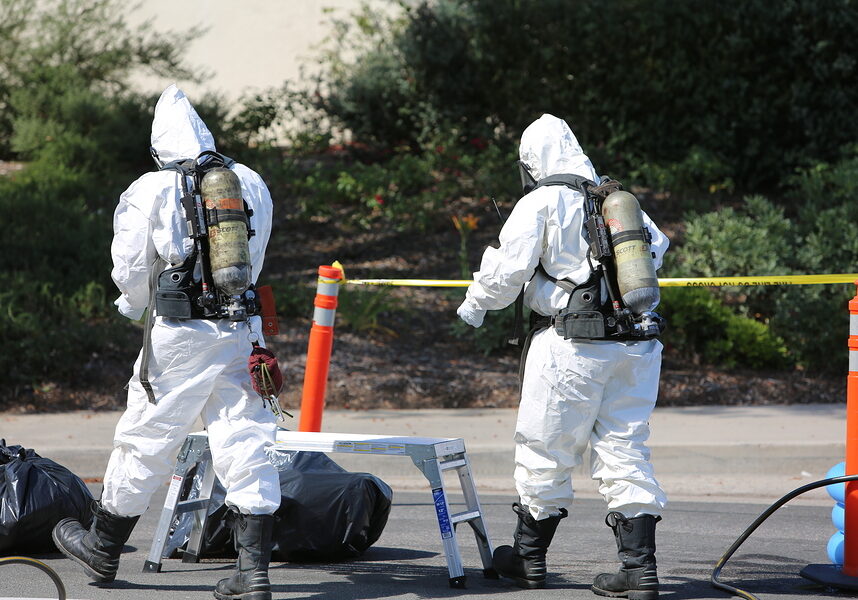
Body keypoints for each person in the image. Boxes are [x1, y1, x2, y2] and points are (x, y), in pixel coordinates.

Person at [52, 84, 281, 600]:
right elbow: (255, 256)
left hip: (181, 335)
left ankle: (103, 547)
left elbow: (131, 269)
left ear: (159, 148)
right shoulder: (250, 181)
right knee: (248, 439)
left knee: (147, 437)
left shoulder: (149, 188)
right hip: (244, 329)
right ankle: (253, 573)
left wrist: (132, 305)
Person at [456, 113, 669, 599]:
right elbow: (657, 247)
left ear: (531, 160)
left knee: (545, 449)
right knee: (625, 448)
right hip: (635, 344)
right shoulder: (616, 199)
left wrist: (473, 308)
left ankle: (527, 560)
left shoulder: (542, 200)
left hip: (571, 345)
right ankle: (640, 571)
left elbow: (506, 272)